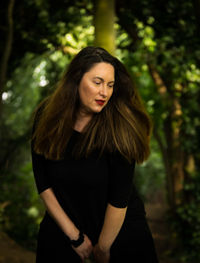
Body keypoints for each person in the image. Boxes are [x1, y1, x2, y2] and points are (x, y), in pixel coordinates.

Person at [31, 46, 159, 263]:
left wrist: (104, 248)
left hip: (117, 229)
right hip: (65, 224)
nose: (104, 93)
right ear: (76, 79)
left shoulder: (119, 126)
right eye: (97, 82)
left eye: (110, 85)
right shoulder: (47, 116)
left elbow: (120, 198)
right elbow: (42, 182)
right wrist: (74, 237)